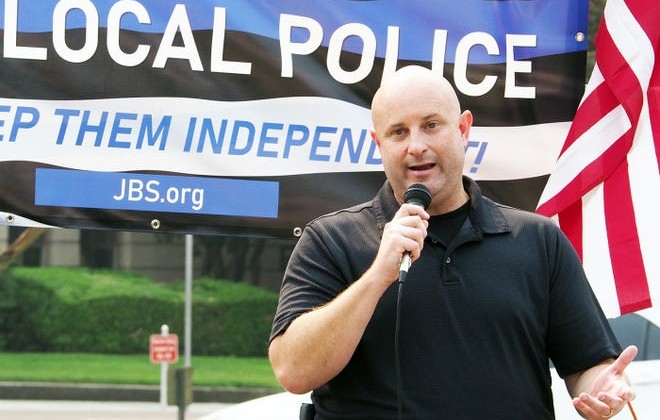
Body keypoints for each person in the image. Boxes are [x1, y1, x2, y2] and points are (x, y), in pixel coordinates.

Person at [268, 65, 637, 419]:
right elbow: (294, 371)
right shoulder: (330, 240)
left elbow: (587, 366)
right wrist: (377, 276)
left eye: (431, 125)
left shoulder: (538, 241)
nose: (416, 146)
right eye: (398, 132)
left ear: (462, 129)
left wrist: (603, 386)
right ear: (378, 144)